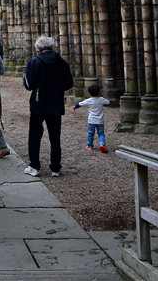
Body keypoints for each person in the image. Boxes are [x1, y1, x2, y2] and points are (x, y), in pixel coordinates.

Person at [22, 36, 75, 178]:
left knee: (34, 135)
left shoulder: (35, 62)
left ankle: (34, 166)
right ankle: (55, 168)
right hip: (56, 103)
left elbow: (29, 85)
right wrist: (57, 89)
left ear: (38, 49)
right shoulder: (61, 62)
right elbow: (69, 82)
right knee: (55, 136)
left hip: (38, 103)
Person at [75, 84, 110, 152]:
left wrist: (75, 106)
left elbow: (80, 104)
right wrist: (104, 104)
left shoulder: (88, 100)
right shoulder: (101, 99)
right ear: (99, 93)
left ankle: (90, 146)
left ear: (89, 93)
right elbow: (108, 102)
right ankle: (102, 144)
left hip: (91, 121)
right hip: (100, 121)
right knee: (101, 133)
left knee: (90, 133)